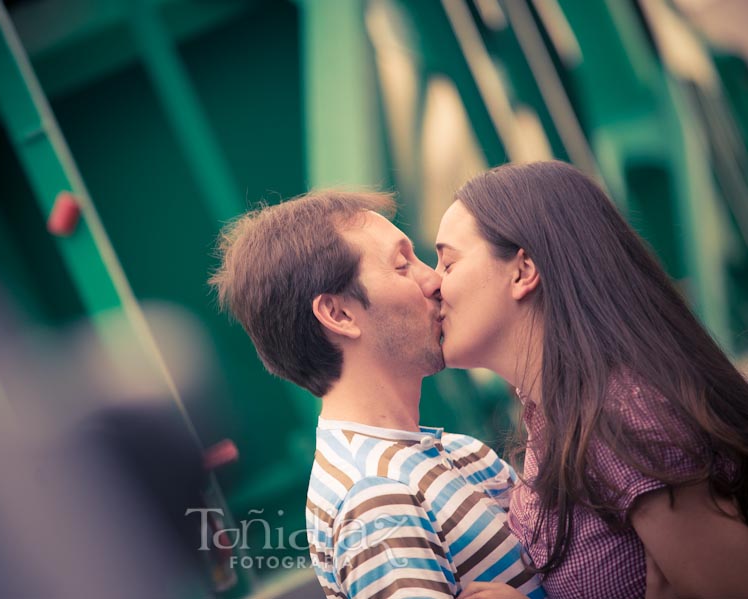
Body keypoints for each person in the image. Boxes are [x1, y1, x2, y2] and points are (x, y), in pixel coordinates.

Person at [434, 160, 748, 598]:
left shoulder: (619, 415)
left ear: (523, 271)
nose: (431, 284)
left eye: (447, 264)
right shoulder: (553, 413)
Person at [210, 191, 545, 599]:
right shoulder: (373, 495)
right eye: (403, 265)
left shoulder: (457, 453)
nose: (435, 280)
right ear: (339, 314)